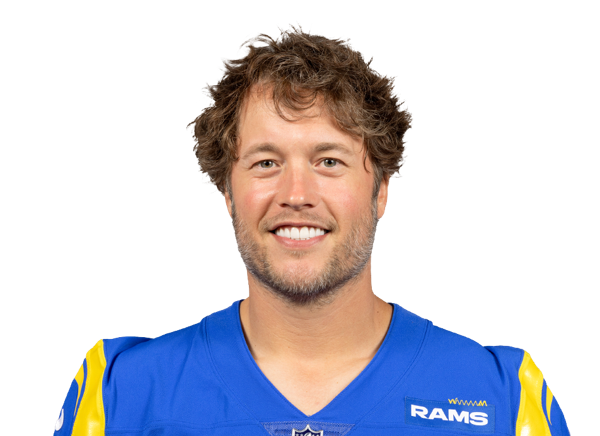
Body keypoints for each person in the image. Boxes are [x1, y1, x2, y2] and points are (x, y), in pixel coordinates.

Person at [53, 24, 569, 435]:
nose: (296, 194)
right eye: (265, 162)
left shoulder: (505, 399)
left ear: (381, 190)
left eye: (328, 161)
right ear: (227, 191)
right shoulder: (118, 394)